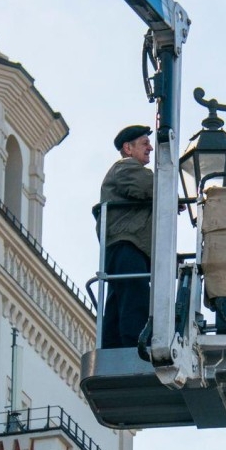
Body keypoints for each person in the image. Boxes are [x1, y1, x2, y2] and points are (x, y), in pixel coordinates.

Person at [97, 124, 155, 348]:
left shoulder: (128, 168)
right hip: (128, 242)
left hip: (124, 243)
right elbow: (145, 187)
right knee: (135, 293)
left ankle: (113, 346)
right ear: (128, 148)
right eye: (145, 143)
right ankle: (135, 345)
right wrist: (168, 186)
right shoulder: (126, 167)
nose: (150, 147)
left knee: (119, 297)